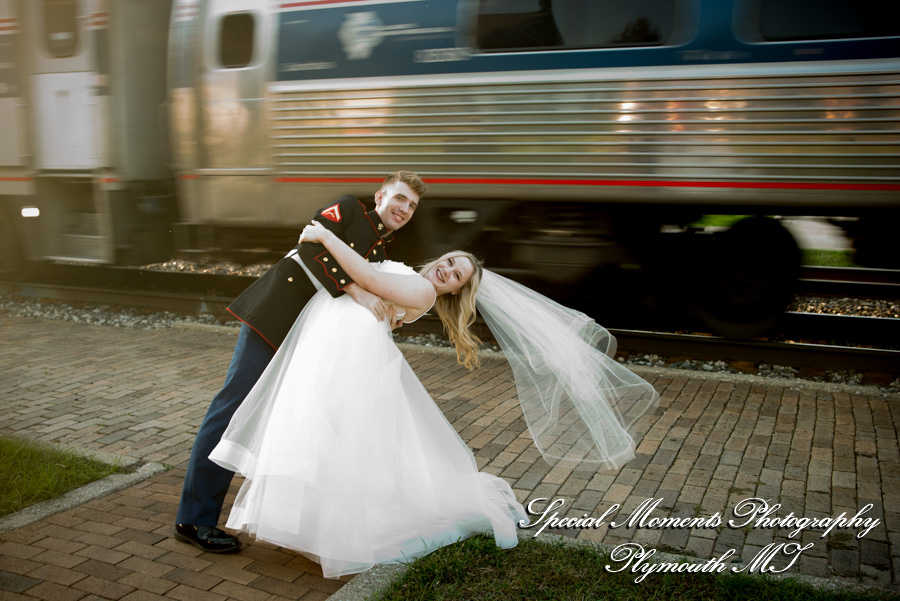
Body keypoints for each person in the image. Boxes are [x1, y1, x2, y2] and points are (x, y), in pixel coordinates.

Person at [207, 220, 660, 578]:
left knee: (327, 442)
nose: (445, 269)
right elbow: (361, 280)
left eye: (456, 274)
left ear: (456, 289)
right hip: (336, 354)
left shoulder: (422, 291)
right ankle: (309, 527)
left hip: (344, 358)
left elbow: (361, 273)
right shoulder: (408, 273)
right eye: (447, 261)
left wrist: (325, 235)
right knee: (318, 438)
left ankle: (327, 532)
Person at [174, 171, 427, 553]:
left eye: (411, 205)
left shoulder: (379, 252)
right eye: (399, 199)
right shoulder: (347, 209)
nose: (404, 209)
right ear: (380, 196)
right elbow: (310, 245)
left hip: (306, 339)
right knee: (232, 409)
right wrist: (356, 289)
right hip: (275, 320)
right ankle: (193, 519)